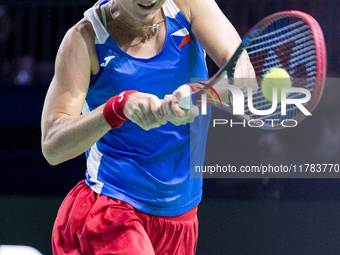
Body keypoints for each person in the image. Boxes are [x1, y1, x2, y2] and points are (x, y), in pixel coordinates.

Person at [41, 0, 242, 254]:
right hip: (110, 211)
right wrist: (117, 108)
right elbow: (52, 146)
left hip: (181, 219)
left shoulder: (189, 5)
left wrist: (200, 94)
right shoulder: (85, 39)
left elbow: (246, 78)